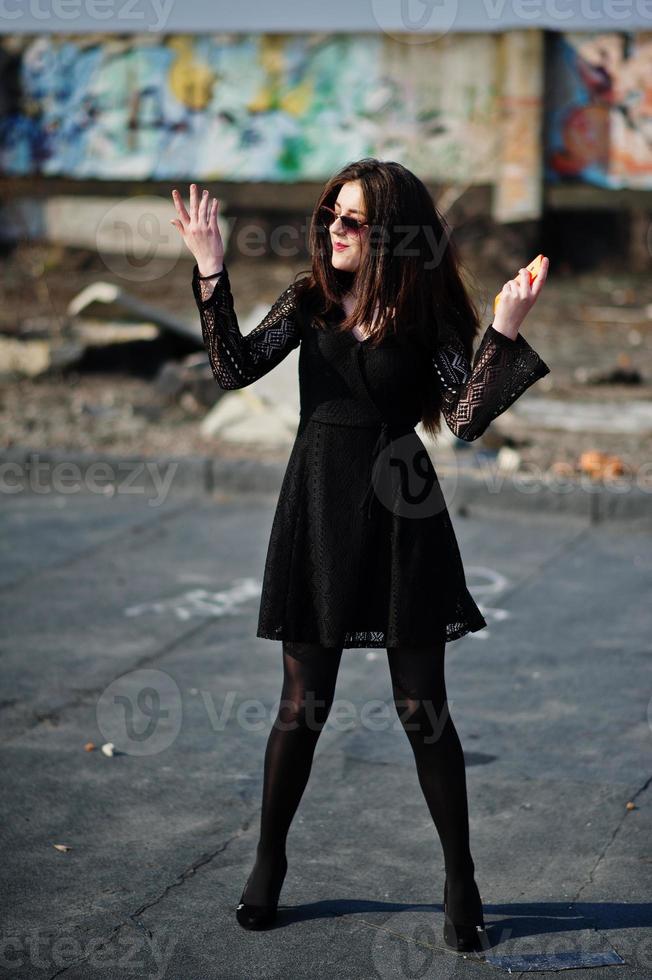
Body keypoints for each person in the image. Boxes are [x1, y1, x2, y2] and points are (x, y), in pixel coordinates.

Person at [170, 159, 550, 952]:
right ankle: (269, 863)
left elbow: (468, 418)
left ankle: (460, 877)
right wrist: (211, 269)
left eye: (352, 220)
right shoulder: (309, 301)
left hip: (402, 509)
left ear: (391, 236)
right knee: (302, 702)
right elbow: (233, 368)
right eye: (330, 215)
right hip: (316, 504)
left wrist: (504, 331)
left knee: (422, 706)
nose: (334, 229)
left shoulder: (425, 317)